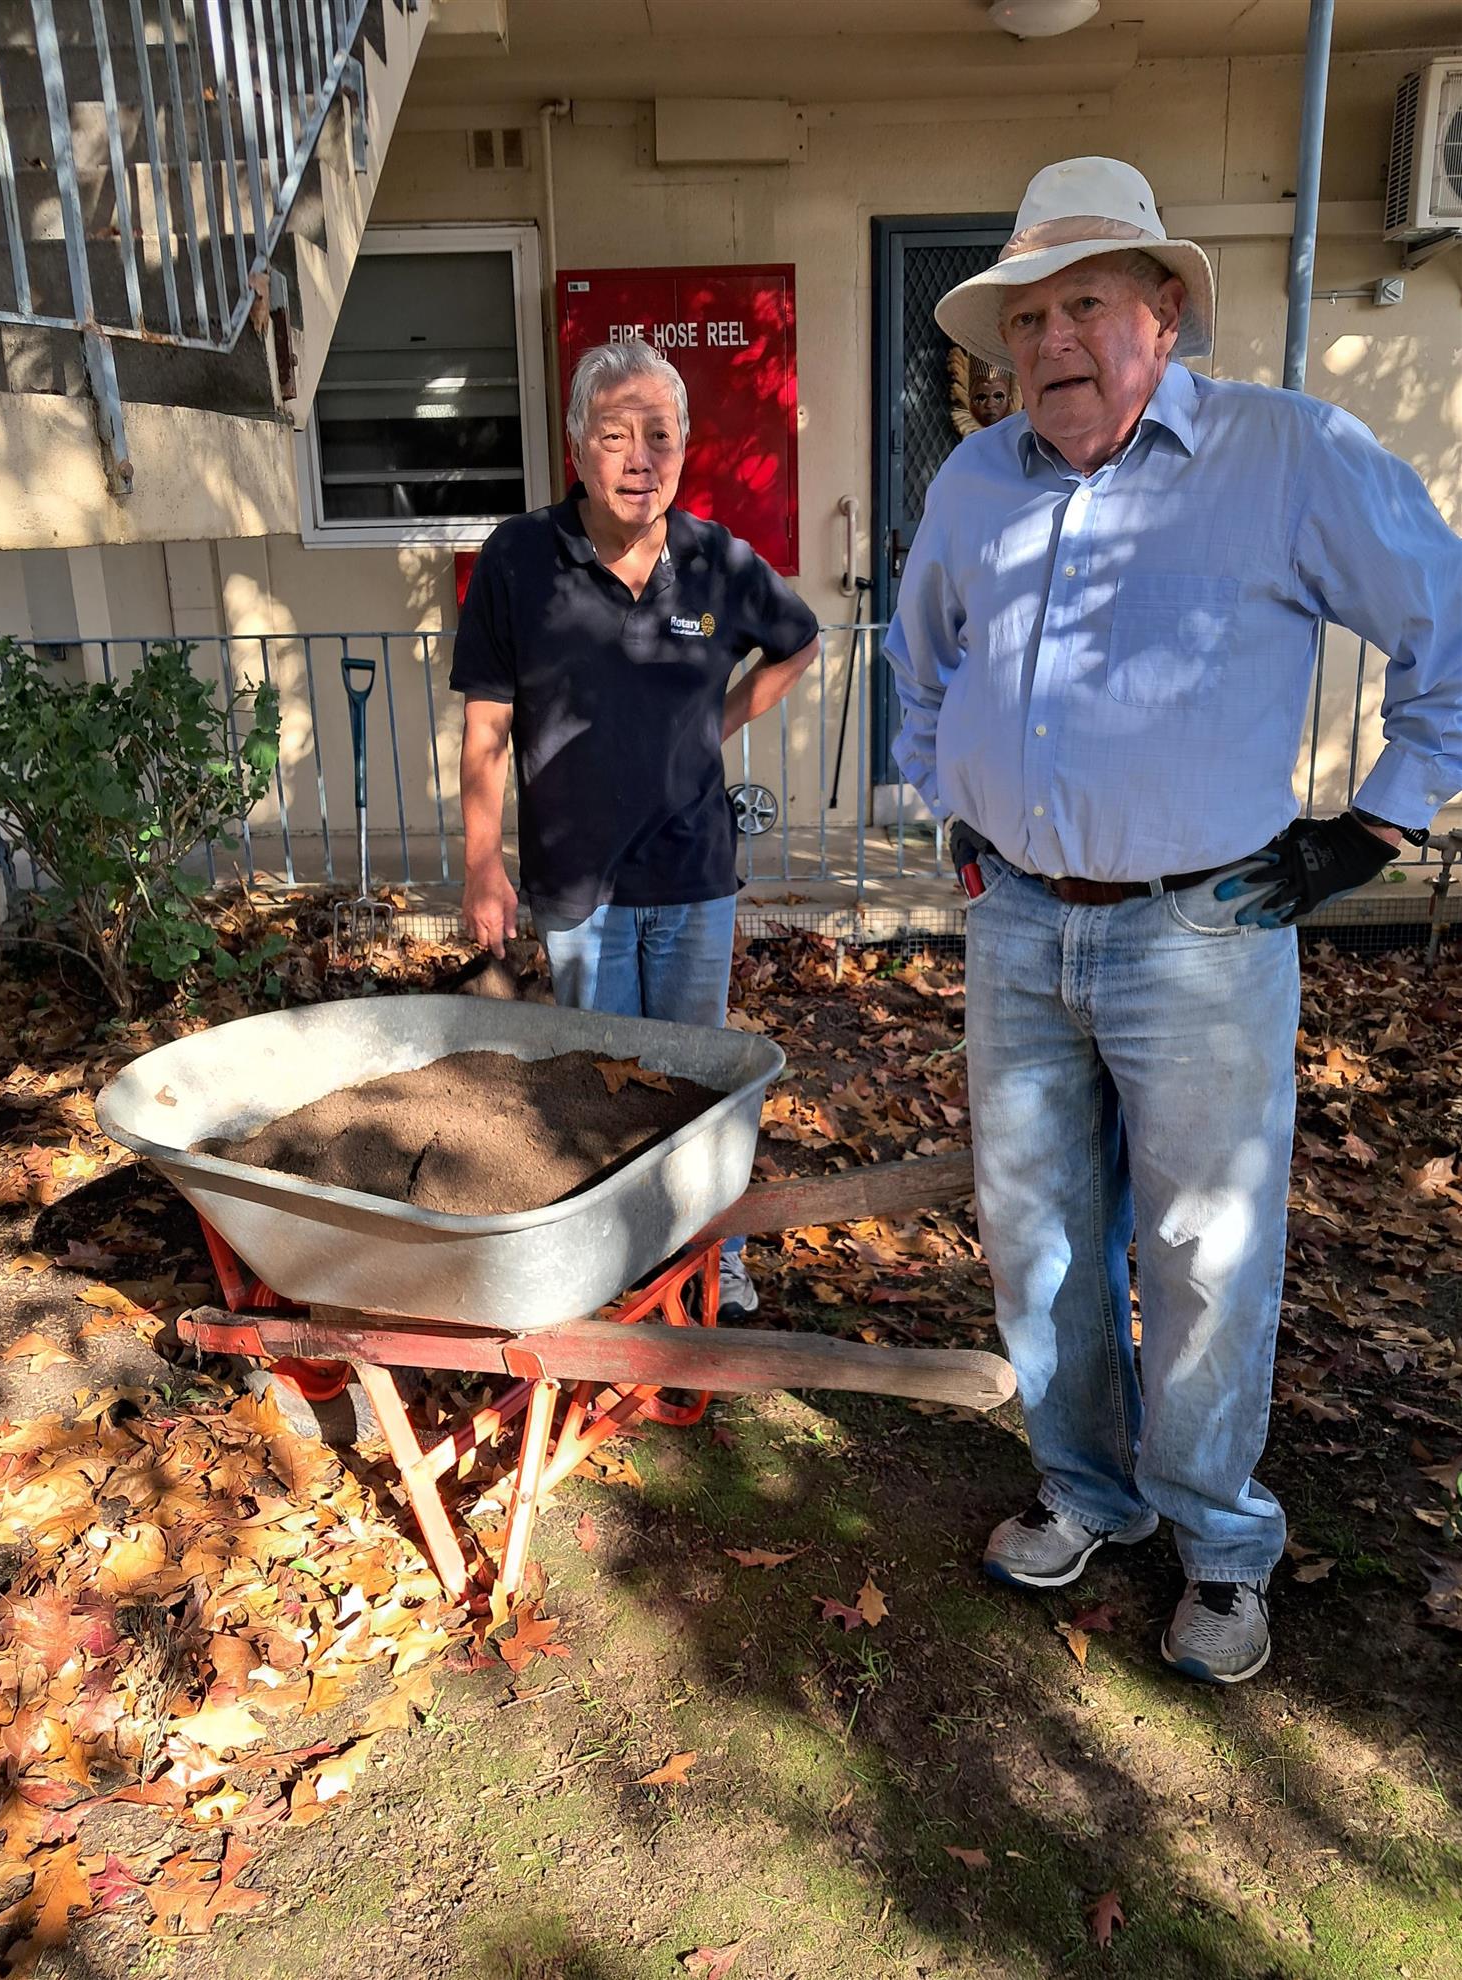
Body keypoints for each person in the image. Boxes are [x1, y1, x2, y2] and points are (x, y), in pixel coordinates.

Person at [886, 155, 1462, 1685]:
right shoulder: (975, 482)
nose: (1049, 342)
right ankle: (1087, 1491)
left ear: (1162, 308)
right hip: (1017, 924)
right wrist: (953, 807)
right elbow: (921, 664)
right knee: (1038, 1236)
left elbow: (1448, 626)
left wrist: (1378, 821)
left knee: (1204, 1252)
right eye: (1025, 319)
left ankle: (1218, 1543)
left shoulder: (1286, 456)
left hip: (1202, 933)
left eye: (1082, 304)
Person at [453, 338, 820, 1320]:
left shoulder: (715, 560)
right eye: (615, 435)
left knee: (697, 1083)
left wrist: (716, 724)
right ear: (576, 446)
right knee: (600, 1092)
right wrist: (483, 864)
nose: (639, 458)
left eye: (660, 435)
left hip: (694, 874)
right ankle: (615, 1272)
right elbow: (486, 727)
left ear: (684, 447)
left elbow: (797, 642)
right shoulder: (518, 559)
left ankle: (712, 1265)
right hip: (579, 888)